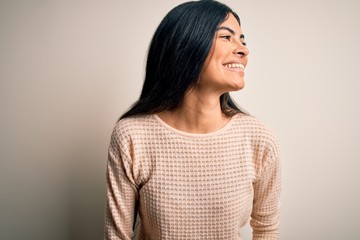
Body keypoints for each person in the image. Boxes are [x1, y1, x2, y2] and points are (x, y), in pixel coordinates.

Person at [104, 0, 281, 239]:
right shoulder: (132, 136)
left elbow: (267, 229)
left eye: (243, 40)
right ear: (185, 46)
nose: (243, 49)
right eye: (226, 37)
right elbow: (116, 236)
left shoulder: (258, 138)